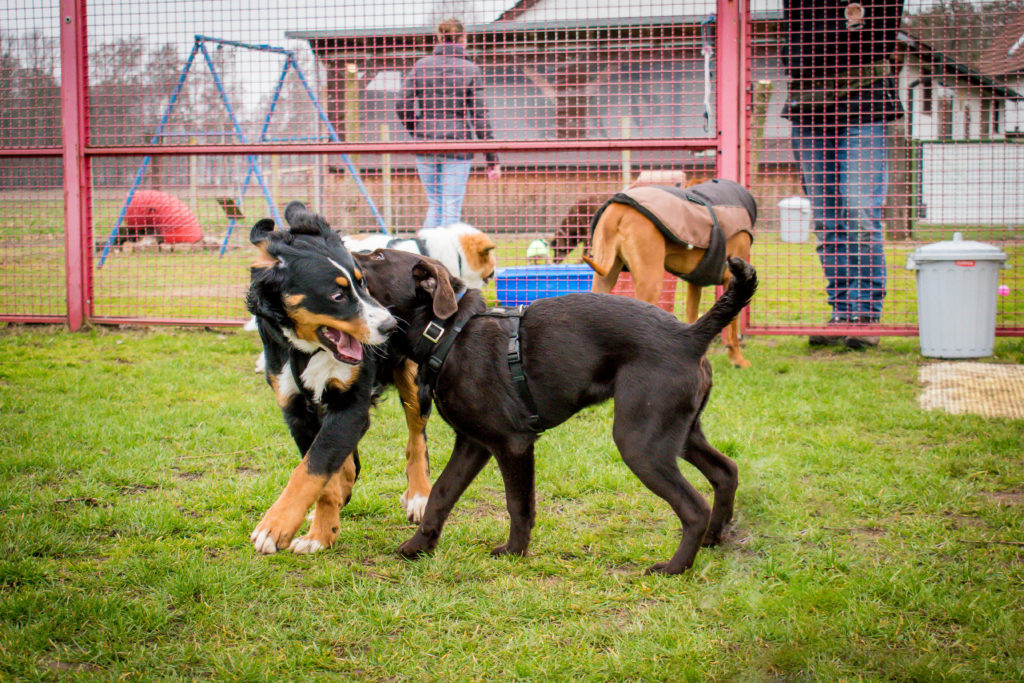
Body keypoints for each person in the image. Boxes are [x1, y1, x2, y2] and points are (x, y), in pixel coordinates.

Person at [780, 0, 904, 349]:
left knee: (859, 211)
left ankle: (864, 316)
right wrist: (842, 34)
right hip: (808, 106)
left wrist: (820, 44)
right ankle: (841, 313)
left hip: (864, 103)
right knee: (827, 217)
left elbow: (878, 41)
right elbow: (793, 53)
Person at [396, 18, 501, 229]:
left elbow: (402, 104)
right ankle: (445, 259)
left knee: (435, 205)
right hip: (458, 146)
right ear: (463, 38)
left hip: (425, 144)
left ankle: (425, 257)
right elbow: (480, 116)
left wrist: (417, 128)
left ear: (439, 37)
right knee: (451, 206)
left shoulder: (421, 66)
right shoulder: (471, 70)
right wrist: (492, 159)